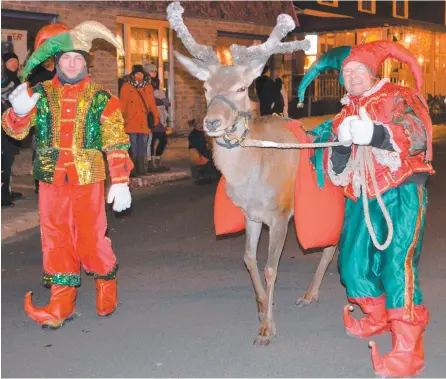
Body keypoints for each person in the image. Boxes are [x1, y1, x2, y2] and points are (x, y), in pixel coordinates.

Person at [300, 41, 434, 377]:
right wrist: (343, 148)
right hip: (362, 197)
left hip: (401, 192)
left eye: (358, 70)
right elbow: (337, 168)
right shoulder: (344, 113)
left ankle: (407, 350)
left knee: (397, 267)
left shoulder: (397, 96)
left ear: (372, 72)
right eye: (347, 73)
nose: (353, 77)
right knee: (353, 264)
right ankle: (376, 318)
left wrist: (375, 133)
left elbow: (416, 136)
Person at [2, 22, 133, 329]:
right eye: (66, 59)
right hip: (51, 181)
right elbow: (14, 131)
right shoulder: (41, 94)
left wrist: (121, 180)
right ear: (56, 63)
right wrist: (17, 111)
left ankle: (106, 285)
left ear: (84, 63)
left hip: (88, 180)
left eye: (77, 59)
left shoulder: (102, 98)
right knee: (55, 238)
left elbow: (116, 140)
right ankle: (62, 303)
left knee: (91, 238)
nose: (72, 64)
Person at [120, 64, 159, 176]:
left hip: (144, 123)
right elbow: (122, 104)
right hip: (130, 122)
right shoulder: (126, 87)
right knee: (133, 148)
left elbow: (152, 104)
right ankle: (132, 171)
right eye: (137, 73)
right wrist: (121, 119)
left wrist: (156, 117)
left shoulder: (148, 87)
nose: (139, 75)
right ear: (133, 75)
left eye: (141, 73)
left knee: (142, 148)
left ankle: (142, 169)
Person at [1, 51, 22, 207]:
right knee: (4, 161)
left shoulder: (15, 79)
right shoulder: (5, 80)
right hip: (4, 126)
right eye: (10, 61)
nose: (13, 64)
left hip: (14, 124)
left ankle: (7, 191)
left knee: (8, 159)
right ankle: (4, 196)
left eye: (15, 61)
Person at [148, 67, 170, 173]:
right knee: (151, 141)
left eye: (155, 71)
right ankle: (151, 163)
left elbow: (165, 102)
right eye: (152, 71)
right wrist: (160, 101)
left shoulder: (158, 85)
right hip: (152, 116)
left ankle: (157, 159)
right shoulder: (146, 85)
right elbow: (150, 101)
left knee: (163, 140)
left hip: (161, 116)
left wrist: (162, 101)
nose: (154, 73)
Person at [188, 119, 220, 184]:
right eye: (199, 124)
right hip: (199, 153)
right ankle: (209, 176)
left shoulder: (198, 133)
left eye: (202, 124)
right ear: (195, 125)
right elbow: (200, 147)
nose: (201, 125)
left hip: (200, 151)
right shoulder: (195, 134)